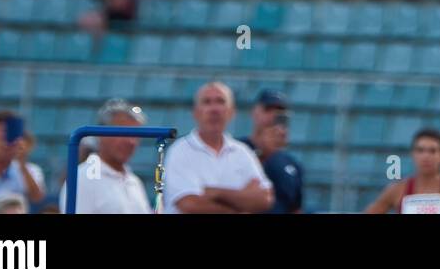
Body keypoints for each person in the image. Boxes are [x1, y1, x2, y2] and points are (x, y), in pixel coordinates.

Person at [162, 81, 273, 214]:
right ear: (195, 112)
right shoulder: (179, 151)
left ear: (232, 112)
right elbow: (190, 205)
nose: (214, 109)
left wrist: (214, 193)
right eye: (207, 102)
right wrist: (240, 203)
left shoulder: (243, 152)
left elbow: (264, 199)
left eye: (220, 101)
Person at [60, 99, 152, 214]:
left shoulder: (134, 181)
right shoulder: (83, 178)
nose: (131, 141)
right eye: (123, 133)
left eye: (136, 135)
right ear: (101, 133)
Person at [365, 128, 440, 214]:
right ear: (413, 154)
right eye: (420, 150)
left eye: (432, 151)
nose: (426, 156)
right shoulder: (397, 190)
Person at [249, 107, 304, 214]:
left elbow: (295, 207)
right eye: (268, 109)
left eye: (280, 113)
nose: (273, 115)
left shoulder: (293, 164)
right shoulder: (238, 150)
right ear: (255, 113)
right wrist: (263, 152)